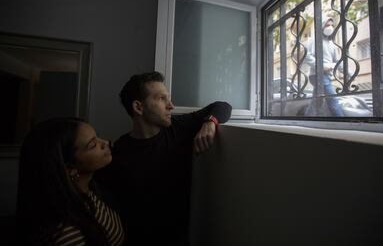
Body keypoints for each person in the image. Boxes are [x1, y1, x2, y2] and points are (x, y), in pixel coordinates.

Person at [96, 71, 232, 245]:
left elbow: (223, 106)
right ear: (138, 107)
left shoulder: (178, 128)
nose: (171, 106)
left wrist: (210, 122)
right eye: (162, 99)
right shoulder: (117, 154)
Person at [16, 117, 124, 245]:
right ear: (70, 168)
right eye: (93, 145)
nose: (106, 142)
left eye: (98, 137)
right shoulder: (68, 235)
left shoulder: (90, 190)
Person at [305, 17, 345, 117]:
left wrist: (348, 73)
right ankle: (345, 123)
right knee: (333, 99)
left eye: (332, 25)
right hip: (317, 74)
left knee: (316, 102)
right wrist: (322, 66)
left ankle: (307, 119)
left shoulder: (332, 44)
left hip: (327, 75)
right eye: (327, 25)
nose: (330, 27)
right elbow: (307, 56)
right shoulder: (314, 39)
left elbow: (337, 61)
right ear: (322, 26)